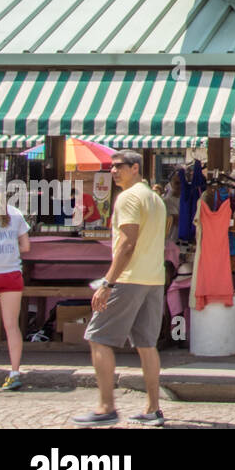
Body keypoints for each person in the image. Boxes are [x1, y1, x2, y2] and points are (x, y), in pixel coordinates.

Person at [73, 151, 167, 426]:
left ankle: (106, 407)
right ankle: (152, 408)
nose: (113, 171)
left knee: (98, 337)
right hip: (153, 278)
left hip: (128, 278)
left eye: (118, 167)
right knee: (147, 345)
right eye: (111, 167)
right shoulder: (155, 198)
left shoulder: (128, 197)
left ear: (135, 168)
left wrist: (107, 282)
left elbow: (127, 244)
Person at [0, 175, 30, 390]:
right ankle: (15, 372)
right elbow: (26, 247)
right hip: (11, 273)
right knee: (11, 326)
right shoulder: (16, 214)